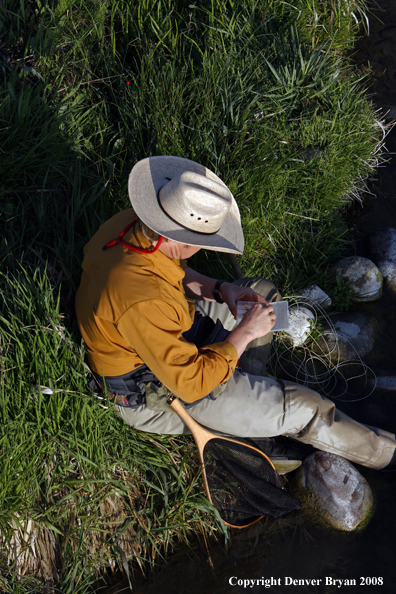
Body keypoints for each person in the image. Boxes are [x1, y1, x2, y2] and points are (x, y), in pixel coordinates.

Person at [75, 156, 396, 470]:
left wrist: (220, 290)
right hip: (151, 390)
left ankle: (250, 404)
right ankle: (387, 453)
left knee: (262, 294)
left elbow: (168, 275)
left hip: (165, 335)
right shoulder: (141, 299)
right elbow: (192, 383)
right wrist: (244, 334)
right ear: (183, 238)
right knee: (308, 408)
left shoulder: (131, 226)